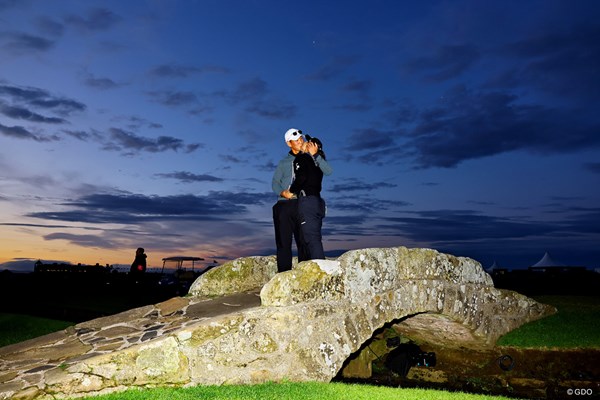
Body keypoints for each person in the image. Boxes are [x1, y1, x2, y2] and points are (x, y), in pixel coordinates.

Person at [272, 128, 332, 272]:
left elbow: (322, 173)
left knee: (304, 242)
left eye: (301, 139)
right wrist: (283, 192)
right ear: (289, 143)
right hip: (284, 205)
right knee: (283, 243)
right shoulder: (283, 162)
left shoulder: (310, 157)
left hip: (301, 203)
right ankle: (283, 277)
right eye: (296, 140)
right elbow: (275, 183)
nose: (300, 141)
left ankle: (302, 275)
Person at [283, 135, 328, 260]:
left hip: (308, 202)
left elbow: (301, 178)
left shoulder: (302, 158)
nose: (302, 142)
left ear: (311, 147)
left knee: (311, 239)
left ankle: (320, 274)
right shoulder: (318, 162)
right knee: (315, 238)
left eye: (307, 142)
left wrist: (290, 191)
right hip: (318, 202)